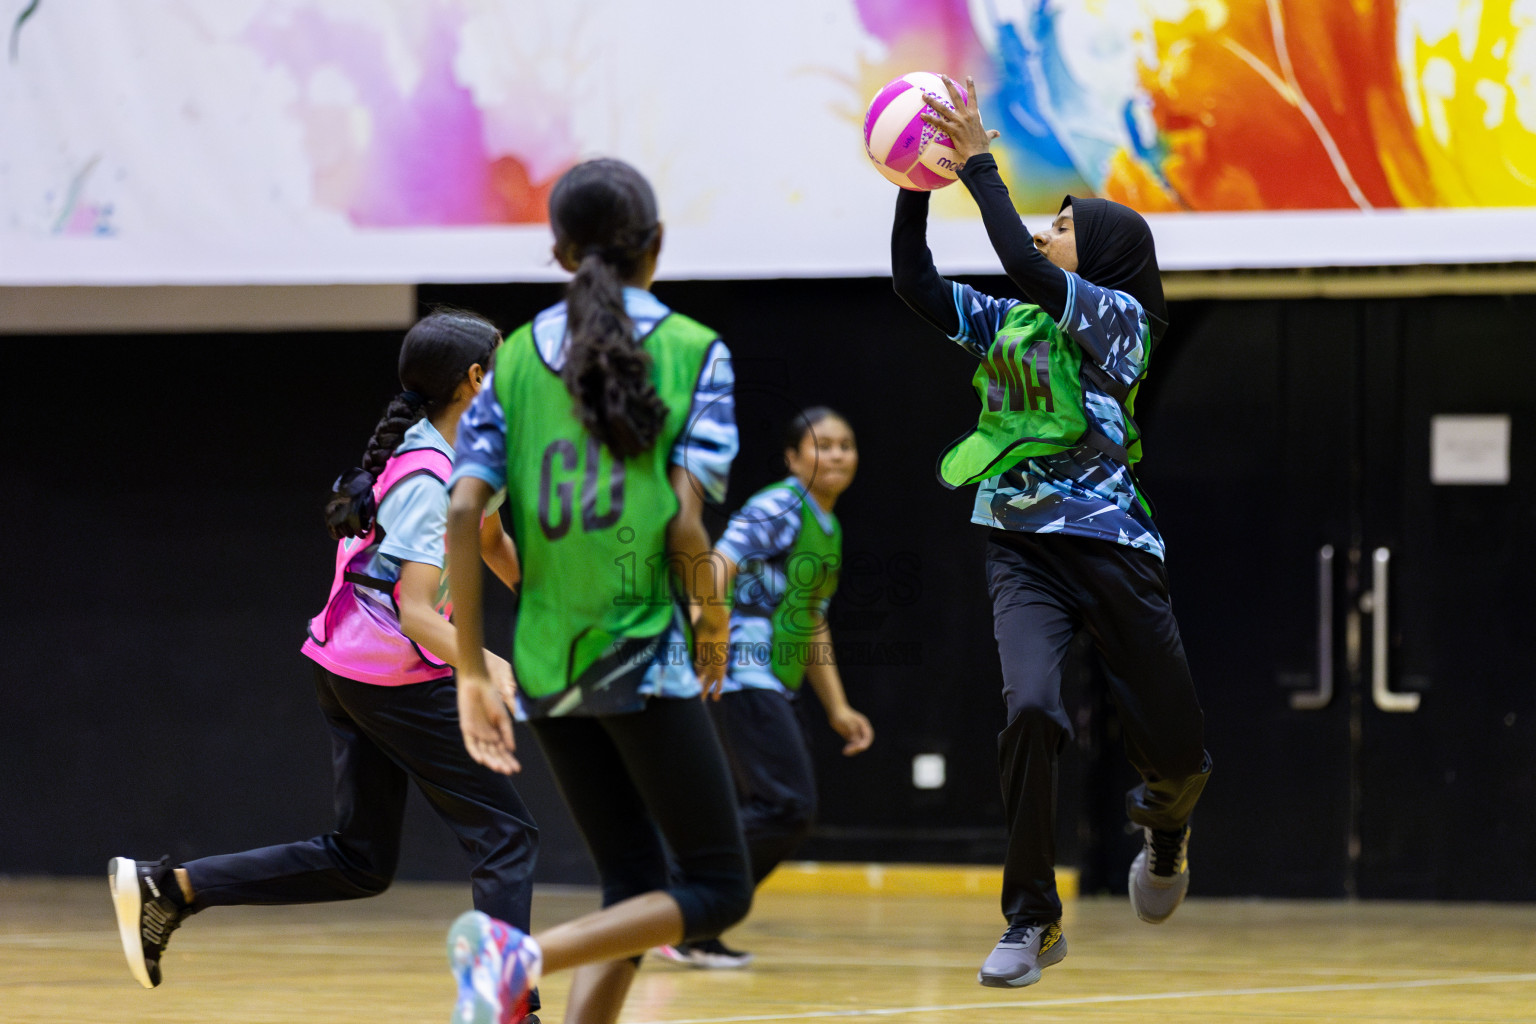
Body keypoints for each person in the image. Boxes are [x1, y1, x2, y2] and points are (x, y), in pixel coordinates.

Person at [106, 311, 540, 1016]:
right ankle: (507, 1010)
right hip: (393, 678)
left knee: (360, 860)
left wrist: (548, 607)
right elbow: (418, 612)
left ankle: (170, 889)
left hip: (346, 670)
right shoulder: (430, 476)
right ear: (475, 381)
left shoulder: (454, 455)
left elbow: (488, 536)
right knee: (507, 838)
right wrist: (483, 661)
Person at [893, 76, 1212, 989]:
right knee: (1029, 709)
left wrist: (980, 168)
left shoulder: (1125, 325)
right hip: (1021, 547)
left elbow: (1028, 264)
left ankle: (1166, 824)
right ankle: (1033, 917)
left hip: (1115, 550)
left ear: (1105, 250)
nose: (1041, 234)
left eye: (1062, 224)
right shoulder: (1013, 324)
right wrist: (918, 186)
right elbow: (915, 283)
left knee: (1180, 753)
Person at [444, 157, 752, 1024]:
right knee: (719, 890)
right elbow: (685, 525)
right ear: (656, 244)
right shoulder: (696, 351)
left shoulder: (507, 363)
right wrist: (713, 619)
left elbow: (468, 510)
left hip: (547, 659)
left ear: (557, 251)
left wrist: (471, 670)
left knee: (633, 881)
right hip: (641, 650)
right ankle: (516, 956)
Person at [657, 407, 874, 969]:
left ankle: (690, 922)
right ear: (793, 457)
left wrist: (839, 706)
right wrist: (712, 638)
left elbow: (811, 620)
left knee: (776, 806)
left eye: (845, 445)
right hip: (740, 670)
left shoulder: (828, 527)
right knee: (786, 805)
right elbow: (717, 565)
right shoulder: (781, 504)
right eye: (821, 444)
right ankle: (674, 903)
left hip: (775, 680)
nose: (836, 455)